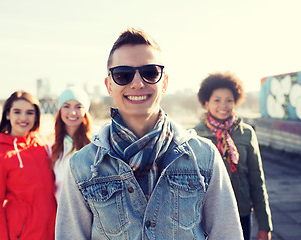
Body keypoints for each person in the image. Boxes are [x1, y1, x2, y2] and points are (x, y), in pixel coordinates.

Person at [55, 28, 244, 239]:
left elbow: (227, 234)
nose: (137, 83)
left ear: (164, 82)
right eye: (123, 75)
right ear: (109, 85)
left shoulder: (204, 156)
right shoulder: (82, 166)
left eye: (150, 72)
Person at [193, 72, 273, 240]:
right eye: (217, 100)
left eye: (229, 100)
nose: (224, 105)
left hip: (241, 212)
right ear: (206, 102)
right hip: (205, 216)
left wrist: (264, 225)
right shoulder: (194, 136)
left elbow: (256, 180)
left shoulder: (246, 133)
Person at [0, 91, 56, 240]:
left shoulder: (42, 145)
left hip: (52, 230)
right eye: (17, 112)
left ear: (36, 117)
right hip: (22, 233)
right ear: (7, 115)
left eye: (29, 113)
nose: (23, 118)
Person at [51, 86, 92, 200]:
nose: (72, 112)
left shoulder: (96, 142)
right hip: (63, 212)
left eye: (78, 107)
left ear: (85, 111)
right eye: (66, 106)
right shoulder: (52, 146)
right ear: (60, 110)